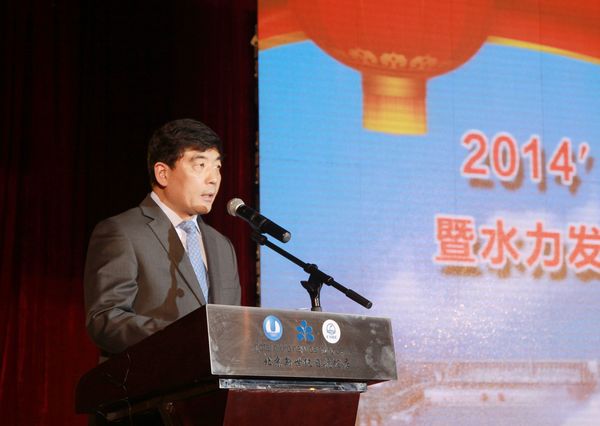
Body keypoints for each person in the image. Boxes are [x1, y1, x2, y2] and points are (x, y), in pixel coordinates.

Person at [84, 119, 241, 358]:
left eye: (217, 166)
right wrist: (182, 337)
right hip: (152, 377)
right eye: (200, 165)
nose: (214, 178)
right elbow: (106, 319)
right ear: (163, 173)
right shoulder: (122, 232)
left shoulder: (222, 245)